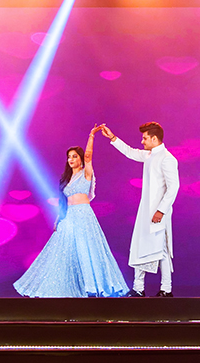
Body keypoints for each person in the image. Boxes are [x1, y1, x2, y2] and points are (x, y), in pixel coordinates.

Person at [14, 125, 128, 298]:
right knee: (62, 251)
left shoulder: (86, 173)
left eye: (74, 156)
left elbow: (89, 155)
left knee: (87, 250)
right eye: (69, 157)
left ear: (81, 159)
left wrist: (92, 135)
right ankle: (66, 287)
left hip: (84, 215)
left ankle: (91, 287)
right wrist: (59, 219)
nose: (71, 159)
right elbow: (63, 203)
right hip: (69, 216)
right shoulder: (66, 179)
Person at [100, 122, 179, 297]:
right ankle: (138, 288)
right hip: (146, 211)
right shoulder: (150, 156)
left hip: (159, 212)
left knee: (162, 249)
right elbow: (130, 152)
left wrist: (161, 210)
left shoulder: (167, 158)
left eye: (144, 138)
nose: (142, 141)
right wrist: (112, 138)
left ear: (154, 138)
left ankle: (166, 289)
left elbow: (174, 187)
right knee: (140, 246)